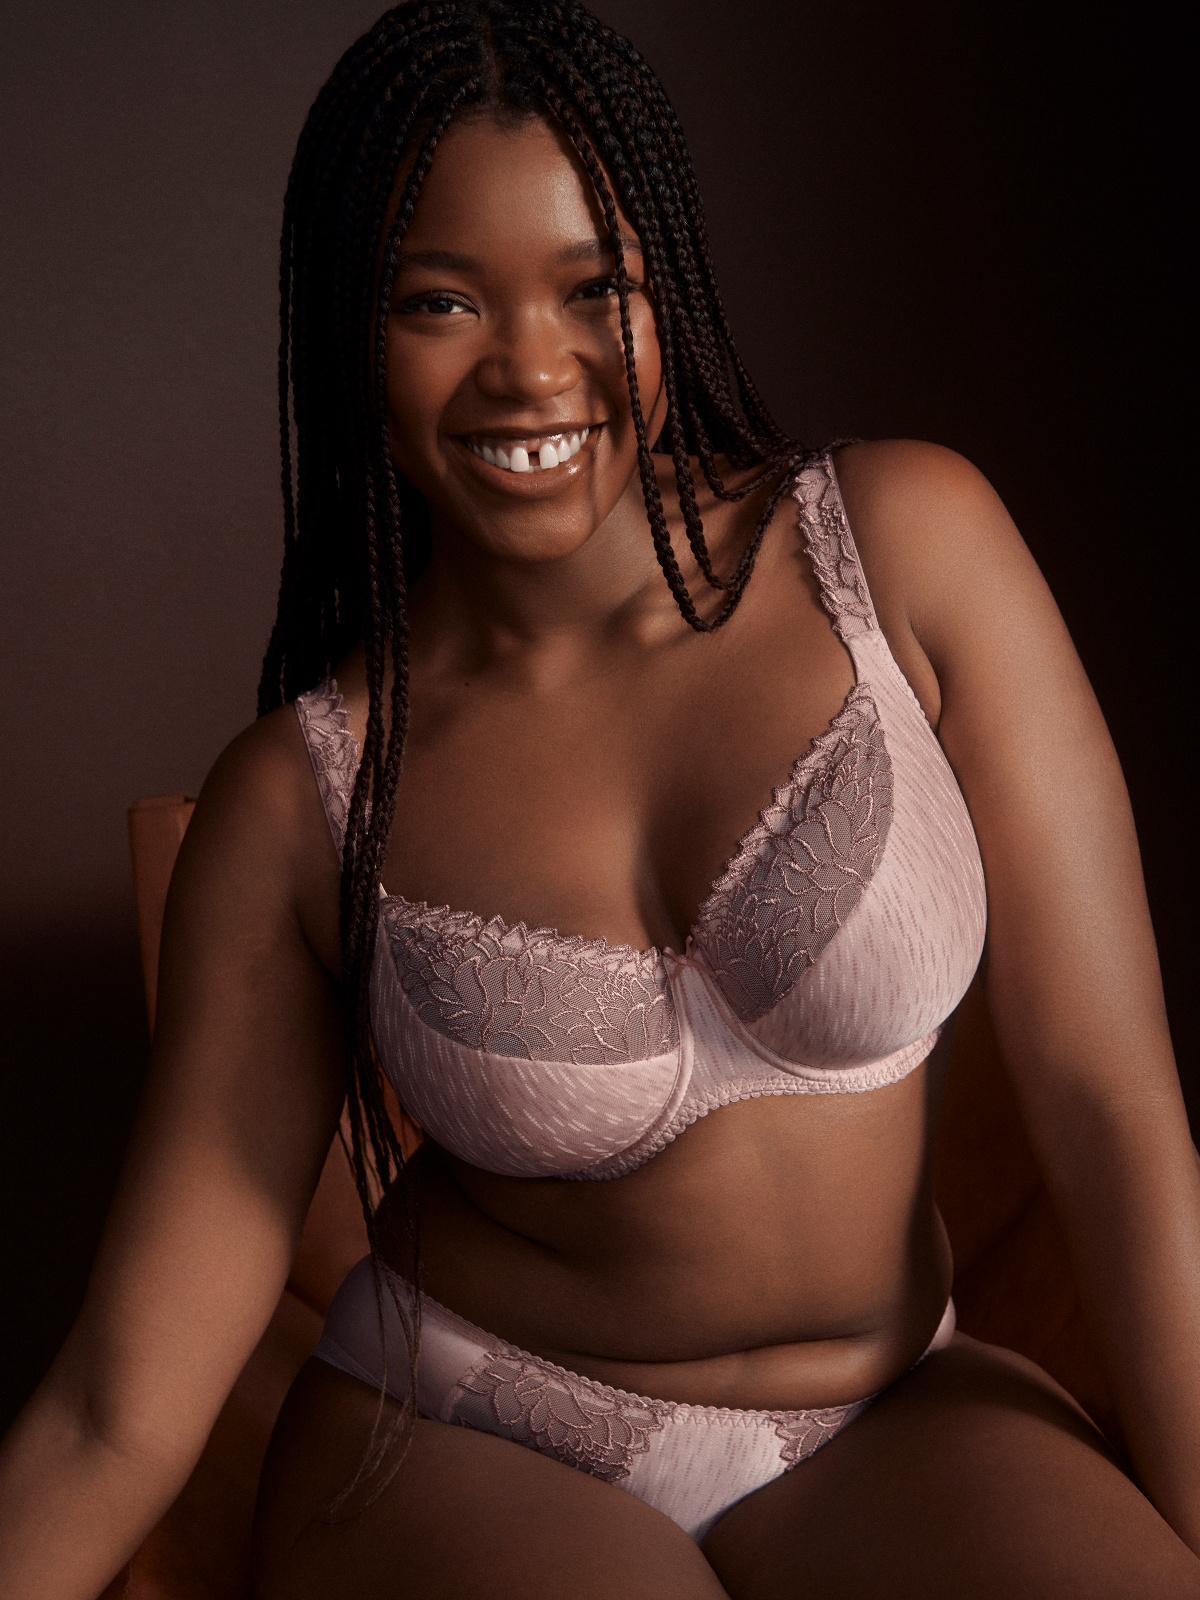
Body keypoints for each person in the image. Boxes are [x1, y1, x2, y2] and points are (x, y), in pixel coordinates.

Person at [2, 3, 1197, 1595]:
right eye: (440, 300)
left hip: (889, 1410)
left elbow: (1113, 1118)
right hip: (471, 1435)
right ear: (350, 331)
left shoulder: (906, 550)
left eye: (594, 289)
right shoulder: (301, 802)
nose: (532, 370)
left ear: (665, 294)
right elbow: (115, 1407)